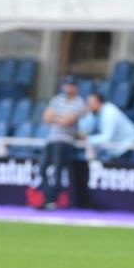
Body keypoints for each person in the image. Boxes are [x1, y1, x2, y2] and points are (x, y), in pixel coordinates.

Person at [39, 75, 85, 210]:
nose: (68, 88)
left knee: (57, 170)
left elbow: (68, 121)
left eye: (71, 85)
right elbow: (46, 118)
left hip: (65, 141)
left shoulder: (79, 102)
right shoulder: (56, 100)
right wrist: (61, 119)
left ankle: (52, 201)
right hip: (51, 139)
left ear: (76, 87)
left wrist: (56, 118)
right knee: (42, 169)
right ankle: (48, 198)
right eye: (66, 85)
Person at [79, 92, 134, 161]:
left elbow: (106, 138)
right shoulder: (94, 113)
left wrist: (87, 139)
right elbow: (85, 130)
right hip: (115, 149)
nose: (88, 105)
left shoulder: (109, 113)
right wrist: (83, 116)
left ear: (98, 102)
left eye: (90, 102)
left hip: (127, 147)